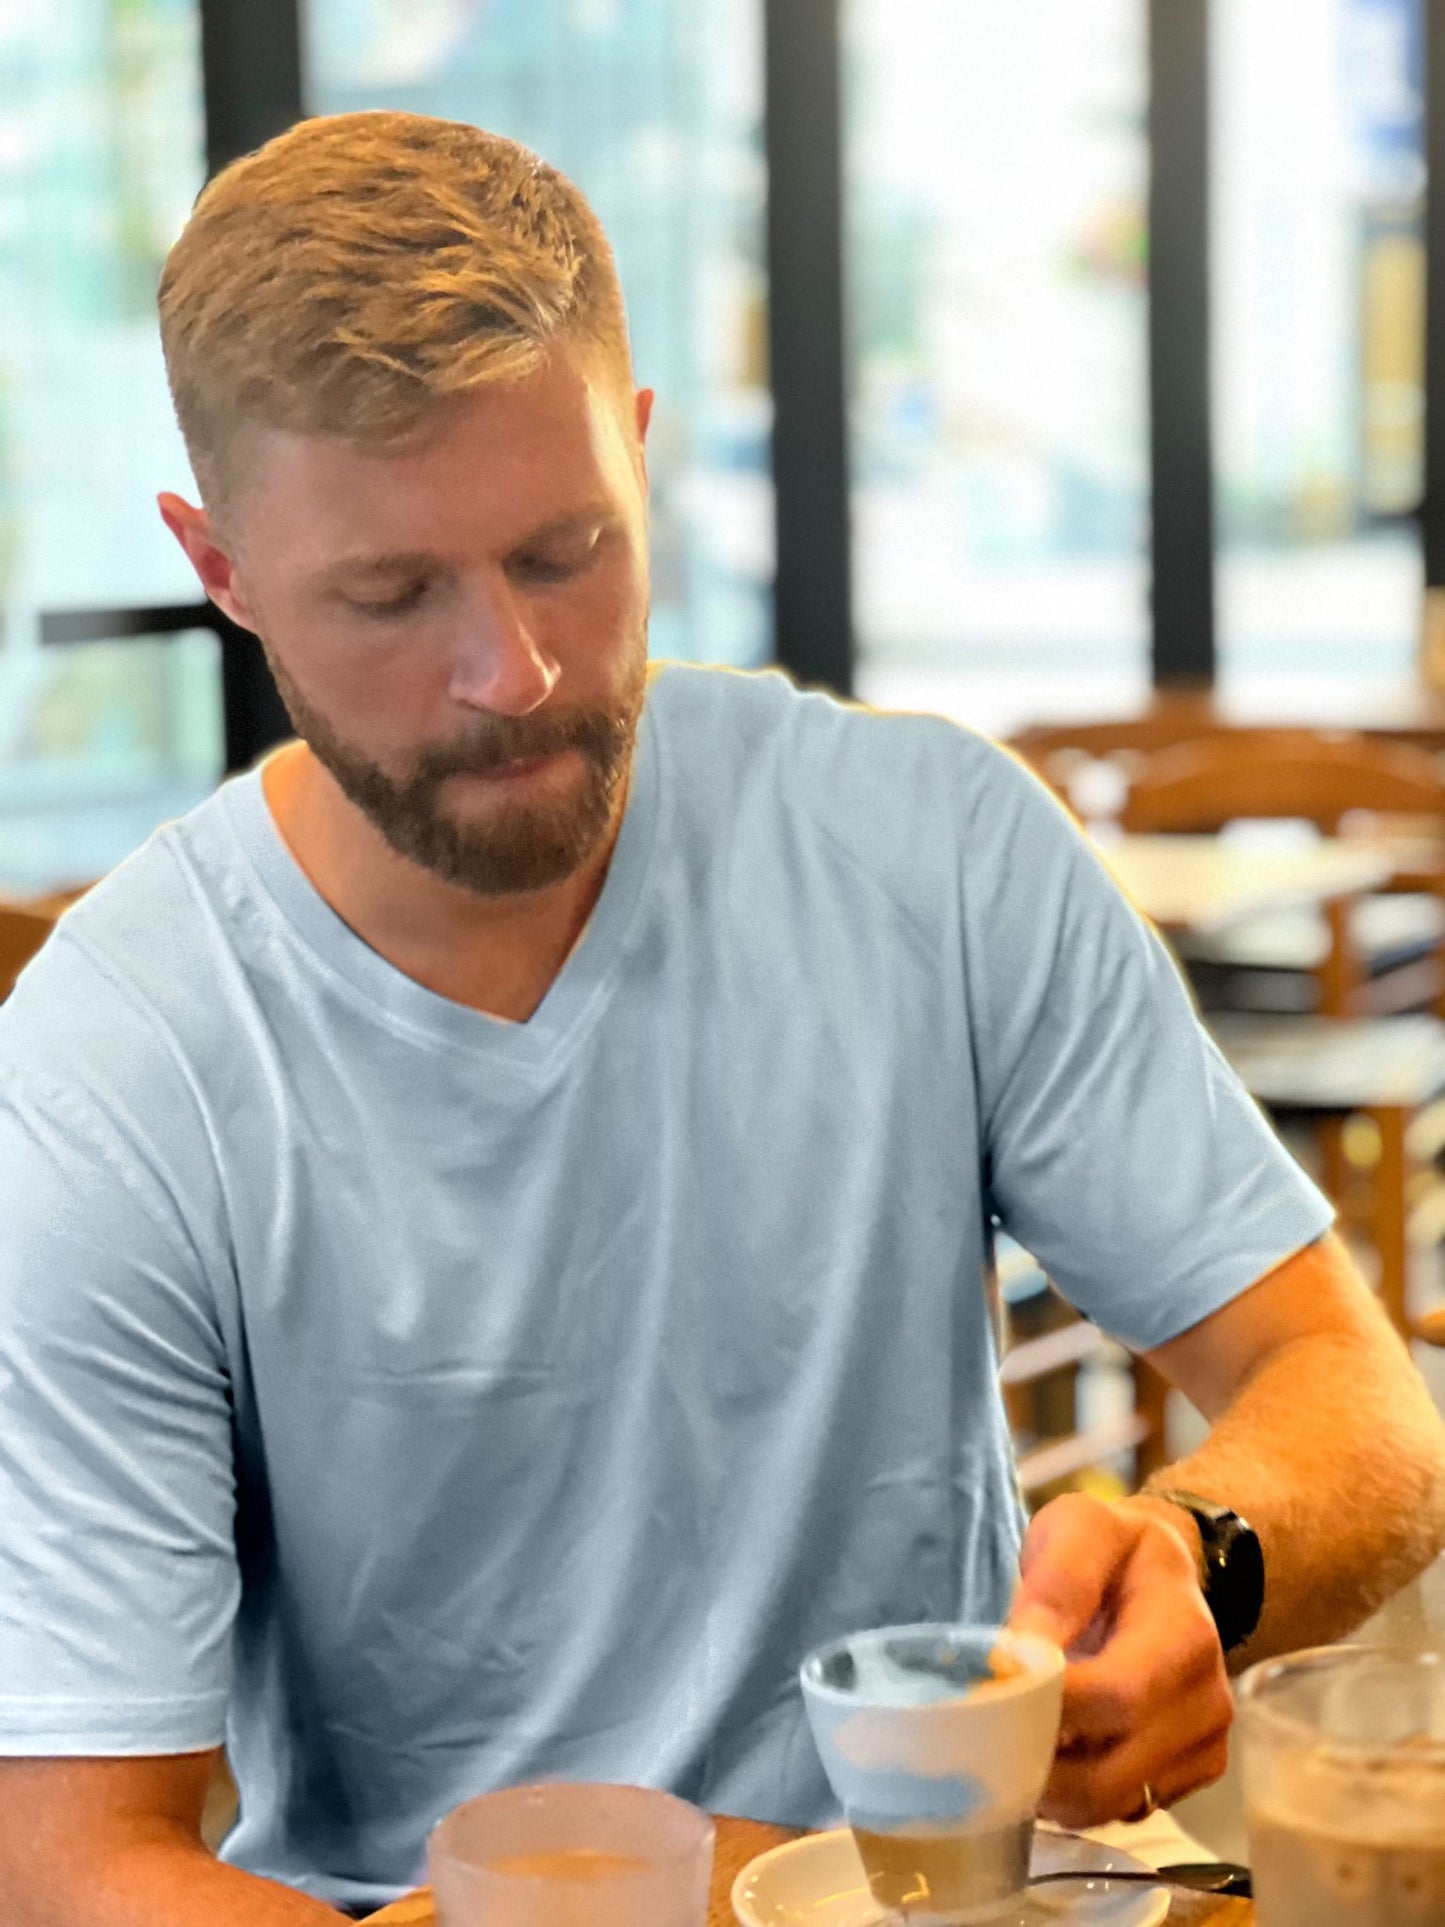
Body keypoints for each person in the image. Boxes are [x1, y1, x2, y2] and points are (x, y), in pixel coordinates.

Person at [0, 109, 1441, 1925]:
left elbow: (1358, 1405)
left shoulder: (930, 849)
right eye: (388, 594)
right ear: (219, 570)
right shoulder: (122, 1060)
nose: (509, 673)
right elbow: (67, 1859)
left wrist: (1200, 1557)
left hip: (951, 1891)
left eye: (563, 549)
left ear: (644, 453)